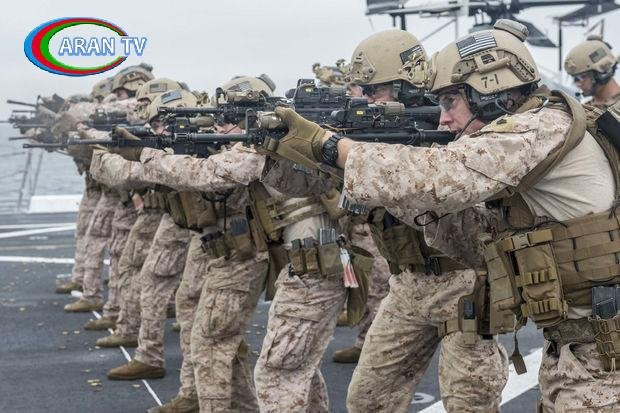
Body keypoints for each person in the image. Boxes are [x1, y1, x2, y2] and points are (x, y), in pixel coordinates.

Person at [270, 18, 620, 412]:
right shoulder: (535, 132)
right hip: (578, 346)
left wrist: (328, 145)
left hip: (597, 349)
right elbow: (480, 237)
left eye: (450, 102)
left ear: (490, 92)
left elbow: (443, 175)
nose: (443, 119)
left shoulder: (538, 127)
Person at [565, 35, 620, 109]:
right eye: (574, 78)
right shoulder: (583, 109)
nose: (577, 84)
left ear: (603, 73)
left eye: (581, 77)